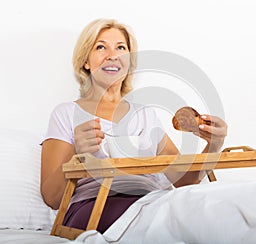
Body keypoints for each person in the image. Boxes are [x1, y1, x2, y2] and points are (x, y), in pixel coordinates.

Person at [40, 18, 228, 234]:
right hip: (95, 206)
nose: (113, 55)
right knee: (177, 222)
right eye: (101, 47)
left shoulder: (145, 114)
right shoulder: (66, 113)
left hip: (153, 202)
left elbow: (184, 181)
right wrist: (78, 155)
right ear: (86, 61)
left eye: (121, 48)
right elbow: (52, 198)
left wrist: (214, 145)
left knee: (215, 210)